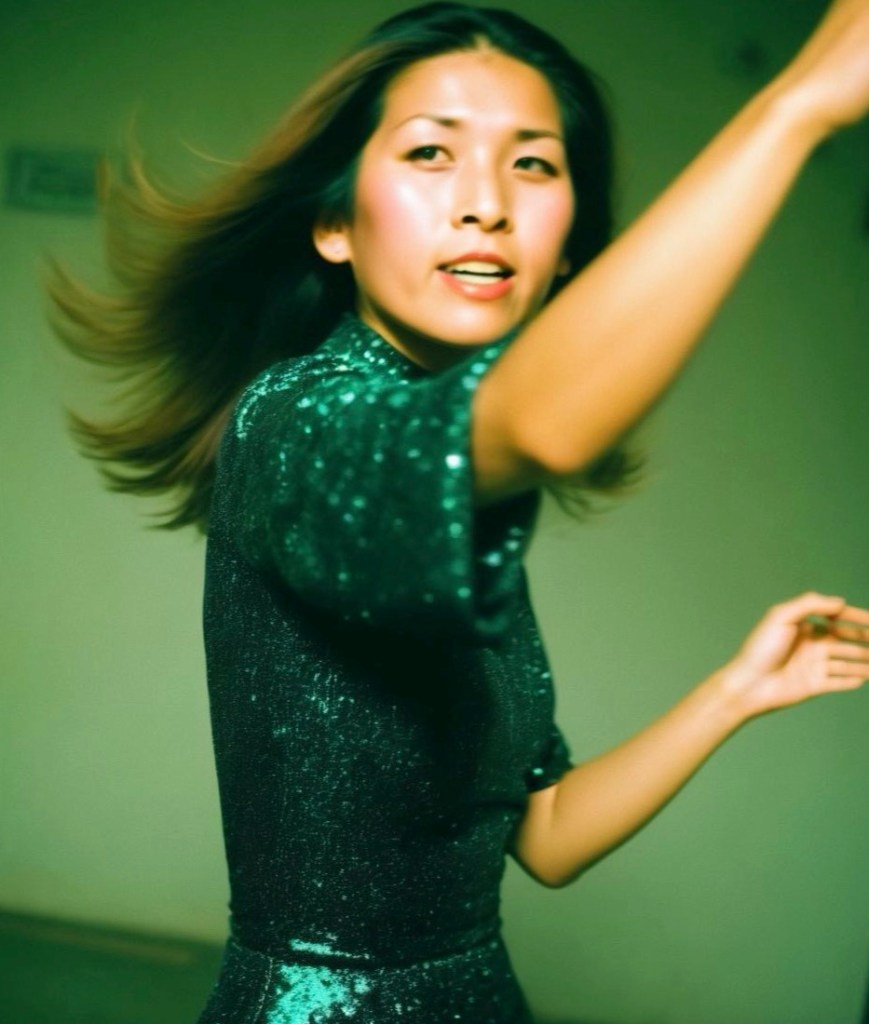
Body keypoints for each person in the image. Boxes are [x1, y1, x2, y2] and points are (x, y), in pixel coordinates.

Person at [48, 2, 869, 1022]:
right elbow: (543, 424)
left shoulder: (462, 505)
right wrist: (792, 109)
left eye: (533, 164)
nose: (485, 203)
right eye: (430, 152)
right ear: (334, 224)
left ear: (567, 252)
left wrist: (735, 690)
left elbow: (548, 834)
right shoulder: (295, 419)